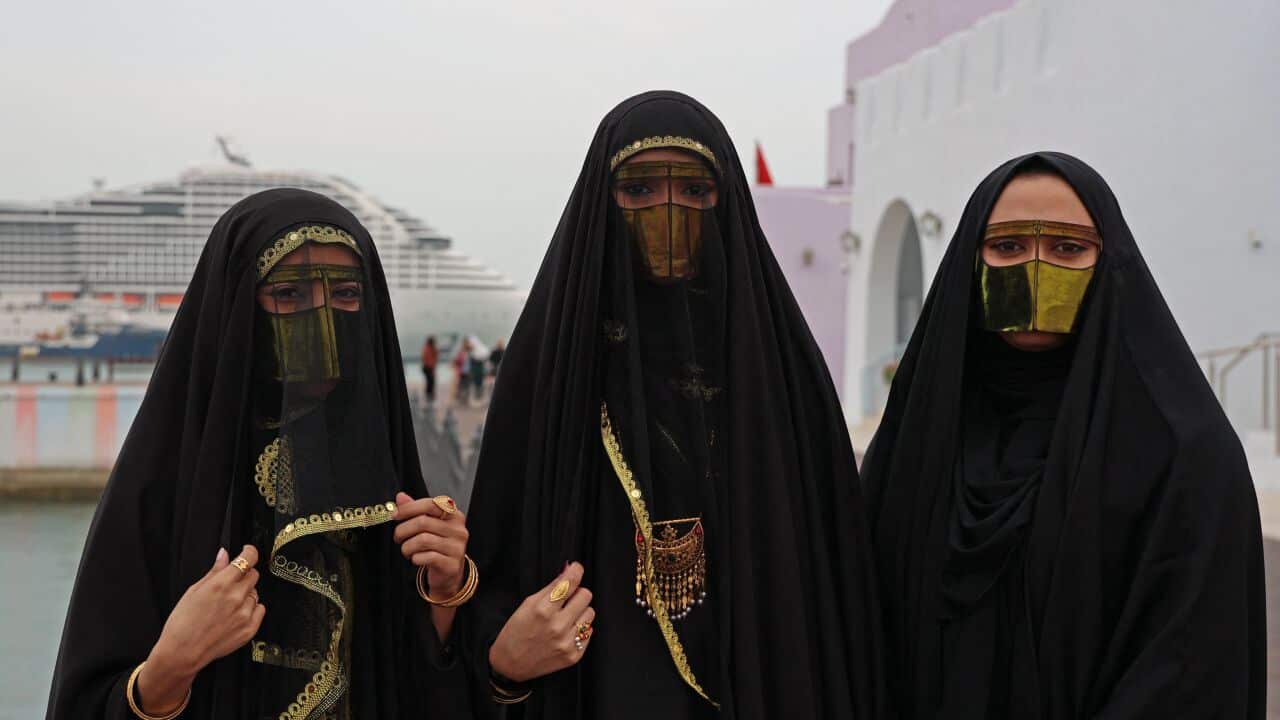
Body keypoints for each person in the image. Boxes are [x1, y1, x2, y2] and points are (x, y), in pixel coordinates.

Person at [463, 91, 889, 719]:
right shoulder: (551, 377)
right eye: (638, 190)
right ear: (602, 203)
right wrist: (502, 661)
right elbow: (492, 583)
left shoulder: (782, 375)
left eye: (695, 190)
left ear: (727, 201)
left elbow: (837, 592)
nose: (670, 210)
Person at [860, 152, 1266, 718]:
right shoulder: (920, 439)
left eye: (1068, 249)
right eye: (1006, 247)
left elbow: (1190, 665)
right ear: (968, 264)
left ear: (1112, 263)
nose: (1035, 270)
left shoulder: (1185, 455)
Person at [47, 189, 475, 719]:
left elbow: (413, 683)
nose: (321, 323)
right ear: (234, 304)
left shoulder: (383, 477)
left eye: (345, 294)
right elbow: (84, 700)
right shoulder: (161, 486)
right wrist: (171, 665)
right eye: (289, 296)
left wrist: (447, 587)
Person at [422, 335, 439, 403]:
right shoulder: (430, 349)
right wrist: (432, 369)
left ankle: (429, 397)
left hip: (427, 367)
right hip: (428, 367)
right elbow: (430, 360)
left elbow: (425, 358)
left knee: (430, 382)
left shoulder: (427, 348)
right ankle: (430, 397)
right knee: (430, 382)